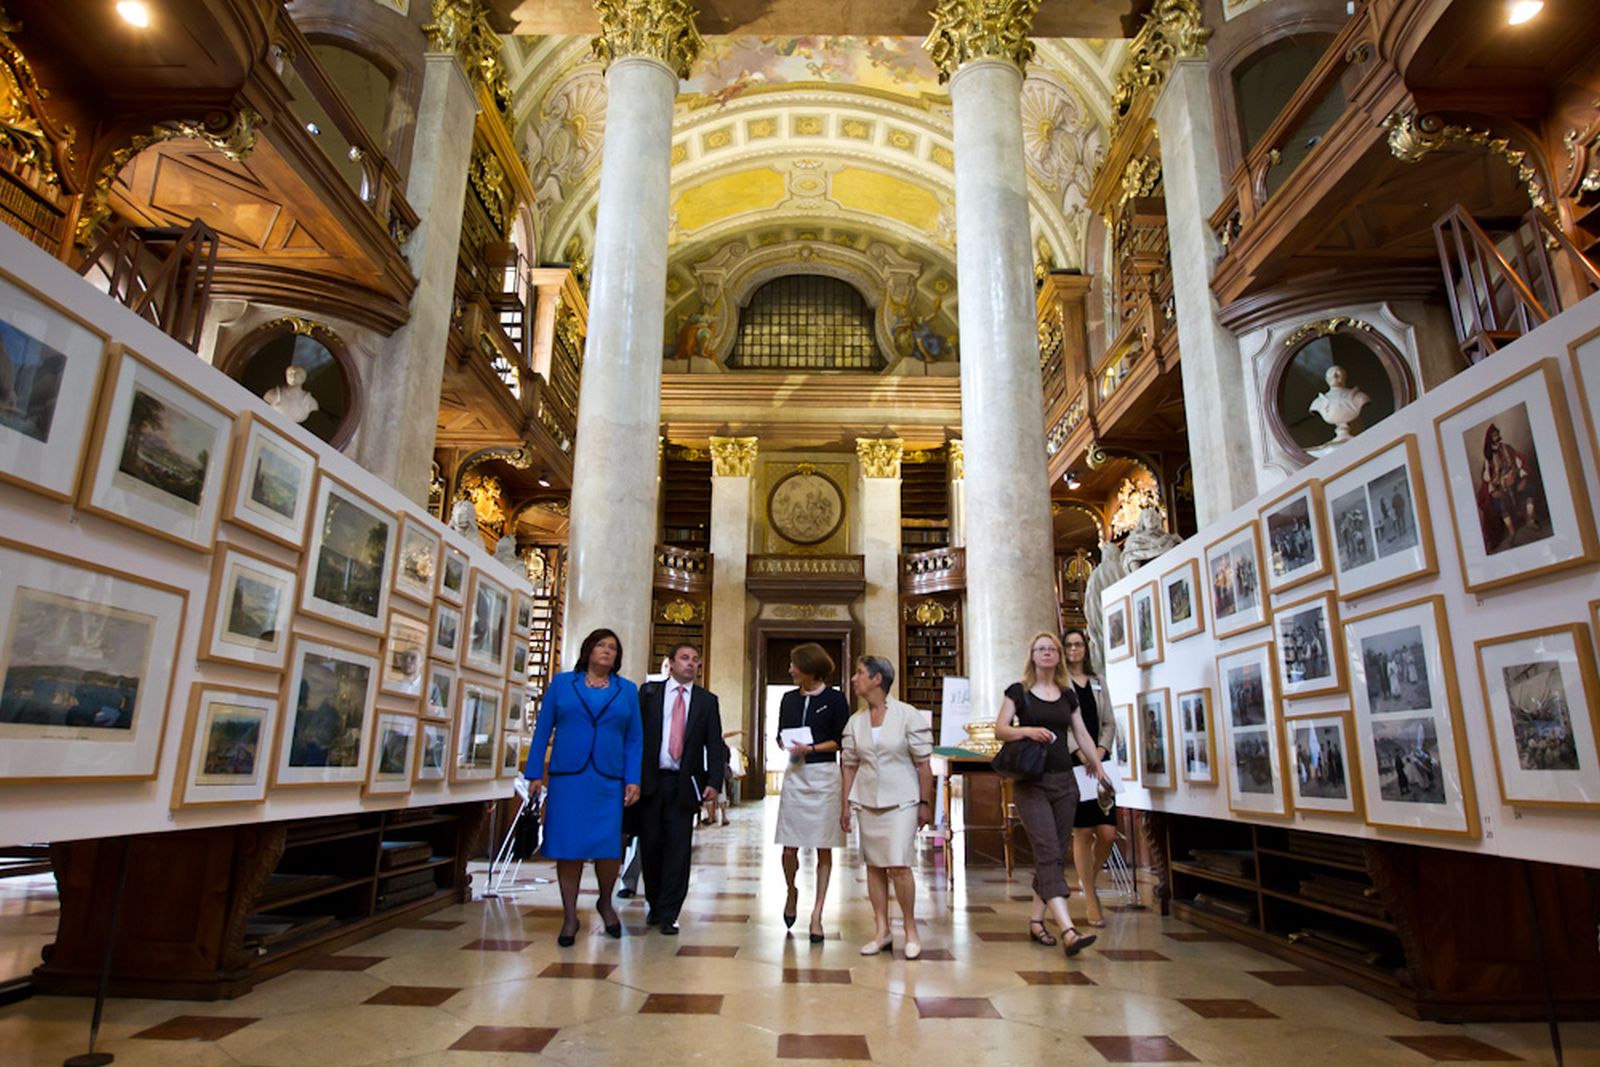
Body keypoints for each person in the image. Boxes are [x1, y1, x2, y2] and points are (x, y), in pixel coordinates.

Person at [524, 628, 642, 946]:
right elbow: (543, 729)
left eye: (613, 648)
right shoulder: (563, 684)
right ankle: (569, 916)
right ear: (588, 650)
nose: (607, 651)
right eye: (601, 645)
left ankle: (605, 902)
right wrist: (534, 773)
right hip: (569, 777)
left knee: (608, 847)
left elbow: (634, 739)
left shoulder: (627, 690)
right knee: (569, 846)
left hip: (608, 778)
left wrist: (633, 779)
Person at [996, 632, 1110, 957]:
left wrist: (1098, 766)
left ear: (1059, 656)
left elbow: (1082, 733)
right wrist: (1027, 731)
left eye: (1052, 649)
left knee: (1055, 854)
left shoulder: (1067, 695)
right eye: (1040, 649)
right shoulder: (1018, 691)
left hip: (1065, 782)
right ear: (1032, 655)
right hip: (1032, 782)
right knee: (1047, 851)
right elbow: (1000, 729)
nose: (1046, 653)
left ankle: (1036, 921)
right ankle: (1068, 929)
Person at [839, 655, 933, 959]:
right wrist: (845, 805)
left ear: (877, 679)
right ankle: (882, 930)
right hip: (868, 800)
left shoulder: (908, 715)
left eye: (860, 673)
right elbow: (849, 766)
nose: (854, 679)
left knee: (899, 863)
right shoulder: (855, 721)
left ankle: (910, 929)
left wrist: (925, 803)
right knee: (875, 865)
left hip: (902, 799)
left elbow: (923, 764)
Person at [636, 643, 727, 935]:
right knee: (651, 846)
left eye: (695, 660)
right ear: (671, 663)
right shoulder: (649, 694)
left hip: (684, 783)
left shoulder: (706, 701)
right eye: (684, 658)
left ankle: (669, 912)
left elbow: (715, 745)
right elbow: (635, 738)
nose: (690, 663)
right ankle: (654, 902)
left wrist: (714, 782)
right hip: (651, 781)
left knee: (678, 848)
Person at [773, 642, 852, 944]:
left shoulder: (835, 699)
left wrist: (813, 748)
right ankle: (790, 890)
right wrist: (786, 744)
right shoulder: (788, 699)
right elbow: (780, 734)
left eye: (794, 665)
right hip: (796, 774)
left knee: (824, 846)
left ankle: (817, 913)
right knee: (788, 847)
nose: (790, 670)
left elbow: (840, 740)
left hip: (824, 777)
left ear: (809, 668)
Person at [1059, 627, 1118, 928]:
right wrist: (1083, 755)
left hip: (1102, 763)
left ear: (1085, 648)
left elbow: (1109, 722)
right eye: (1069, 645)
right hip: (1076, 764)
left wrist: (1100, 751)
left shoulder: (1098, 682)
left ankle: (1088, 881)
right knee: (1083, 832)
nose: (1074, 649)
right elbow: (1063, 724)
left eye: (1078, 644)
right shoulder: (1060, 683)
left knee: (1107, 833)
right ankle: (1092, 899)